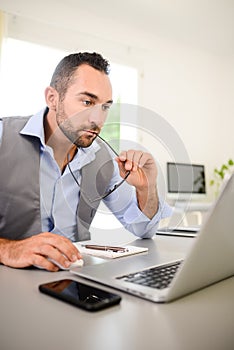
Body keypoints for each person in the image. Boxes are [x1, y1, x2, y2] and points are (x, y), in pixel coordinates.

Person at [0, 52, 171, 271]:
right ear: (52, 98)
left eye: (105, 107)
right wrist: (7, 249)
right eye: (87, 101)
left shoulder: (103, 158)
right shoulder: (4, 136)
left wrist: (146, 189)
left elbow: (143, 230)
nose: (97, 119)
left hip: (76, 283)